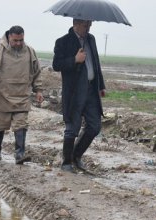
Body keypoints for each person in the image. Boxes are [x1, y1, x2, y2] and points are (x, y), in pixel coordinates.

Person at [0, 25, 43, 164]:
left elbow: (37, 72)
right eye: (15, 40)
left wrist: (38, 90)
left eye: (21, 40)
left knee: (21, 125)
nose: (18, 43)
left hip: (22, 96)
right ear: (9, 37)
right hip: (2, 95)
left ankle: (20, 154)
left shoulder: (30, 52)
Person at [52, 19, 106, 172]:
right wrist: (75, 60)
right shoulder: (63, 42)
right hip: (74, 92)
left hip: (91, 91)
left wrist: (101, 85)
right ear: (76, 23)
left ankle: (76, 155)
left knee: (94, 126)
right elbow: (56, 65)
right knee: (72, 128)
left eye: (90, 24)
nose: (88, 27)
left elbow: (96, 64)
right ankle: (67, 162)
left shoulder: (91, 39)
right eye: (85, 25)